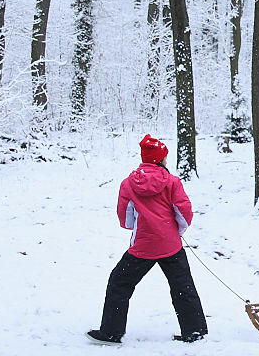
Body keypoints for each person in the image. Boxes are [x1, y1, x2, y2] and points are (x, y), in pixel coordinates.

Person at [87, 135, 208, 345]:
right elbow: (184, 210)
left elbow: (125, 217)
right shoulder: (172, 181)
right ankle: (194, 330)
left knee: (119, 283)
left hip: (142, 246)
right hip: (170, 244)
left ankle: (111, 332)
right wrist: (177, 231)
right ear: (160, 160)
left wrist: (137, 227)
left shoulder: (128, 183)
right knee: (183, 286)